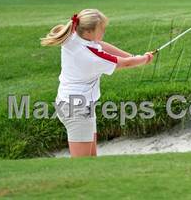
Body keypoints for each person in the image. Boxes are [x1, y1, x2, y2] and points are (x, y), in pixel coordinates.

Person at [41, 9, 153, 157]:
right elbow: (124, 64)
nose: (104, 32)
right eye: (102, 29)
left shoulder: (73, 36)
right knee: (83, 163)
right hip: (77, 109)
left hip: (73, 104)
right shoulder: (93, 57)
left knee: (91, 160)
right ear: (88, 32)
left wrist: (133, 56)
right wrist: (144, 59)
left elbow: (101, 44)